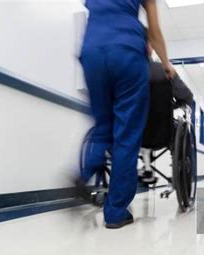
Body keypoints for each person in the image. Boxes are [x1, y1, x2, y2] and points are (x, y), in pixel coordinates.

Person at [75, 0, 175, 229]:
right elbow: (154, 30)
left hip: (92, 49)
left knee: (102, 126)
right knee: (126, 135)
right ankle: (116, 212)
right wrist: (166, 63)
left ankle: (83, 173)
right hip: (126, 52)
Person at [140, 34, 194, 183]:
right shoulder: (165, 70)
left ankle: (145, 167)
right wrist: (172, 105)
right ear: (150, 48)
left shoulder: (122, 71)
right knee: (182, 131)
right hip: (161, 132)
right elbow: (187, 97)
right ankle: (183, 176)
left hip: (128, 130)